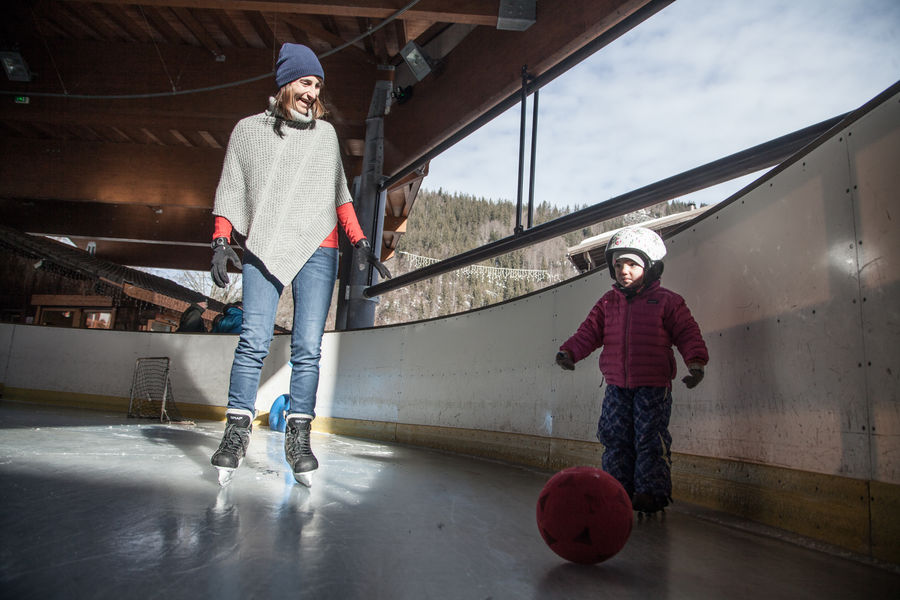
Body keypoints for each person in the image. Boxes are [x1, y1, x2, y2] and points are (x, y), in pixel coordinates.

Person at [208, 43, 391, 487]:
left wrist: (362, 244)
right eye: (306, 82)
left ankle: (299, 438)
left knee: (308, 349)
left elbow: (339, 197)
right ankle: (235, 434)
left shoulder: (324, 136)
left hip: (320, 247)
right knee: (252, 340)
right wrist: (220, 240)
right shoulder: (248, 132)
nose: (313, 93)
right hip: (265, 245)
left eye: (318, 86)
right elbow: (232, 189)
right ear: (287, 83)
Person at [555, 227, 708, 513]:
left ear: (650, 267)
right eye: (618, 265)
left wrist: (696, 362)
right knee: (614, 438)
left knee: (649, 438)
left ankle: (651, 493)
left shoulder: (667, 302)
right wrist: (570, 351)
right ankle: (616, 489)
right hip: (616, 387)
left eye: (632, 264)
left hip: (653, 386)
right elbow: (589, 332)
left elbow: (688, 333)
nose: (624, 270)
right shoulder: (607, 303)